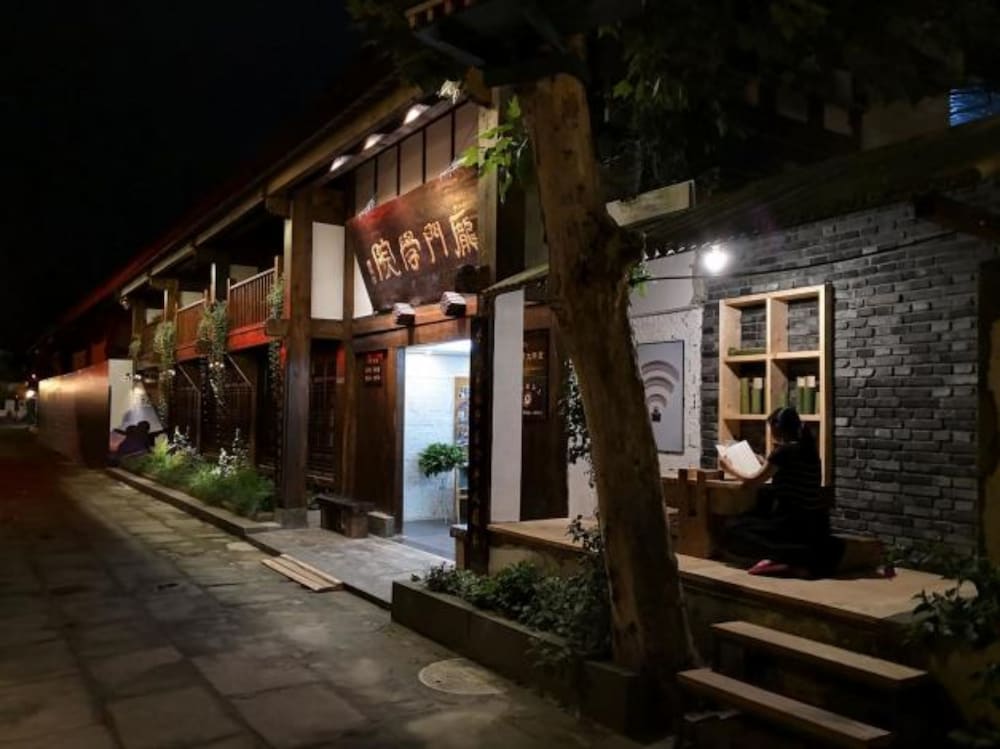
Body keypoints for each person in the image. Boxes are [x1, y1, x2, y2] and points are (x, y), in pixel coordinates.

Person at [719, 406, 844, 578]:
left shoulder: (783, 452)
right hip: (812, 522)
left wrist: (729, 468)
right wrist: (765, 461)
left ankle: (784, 559)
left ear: (778, 428)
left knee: (733, 529)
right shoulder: (810, 451)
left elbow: (752, 482)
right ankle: (791, 559)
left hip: (789, 522)